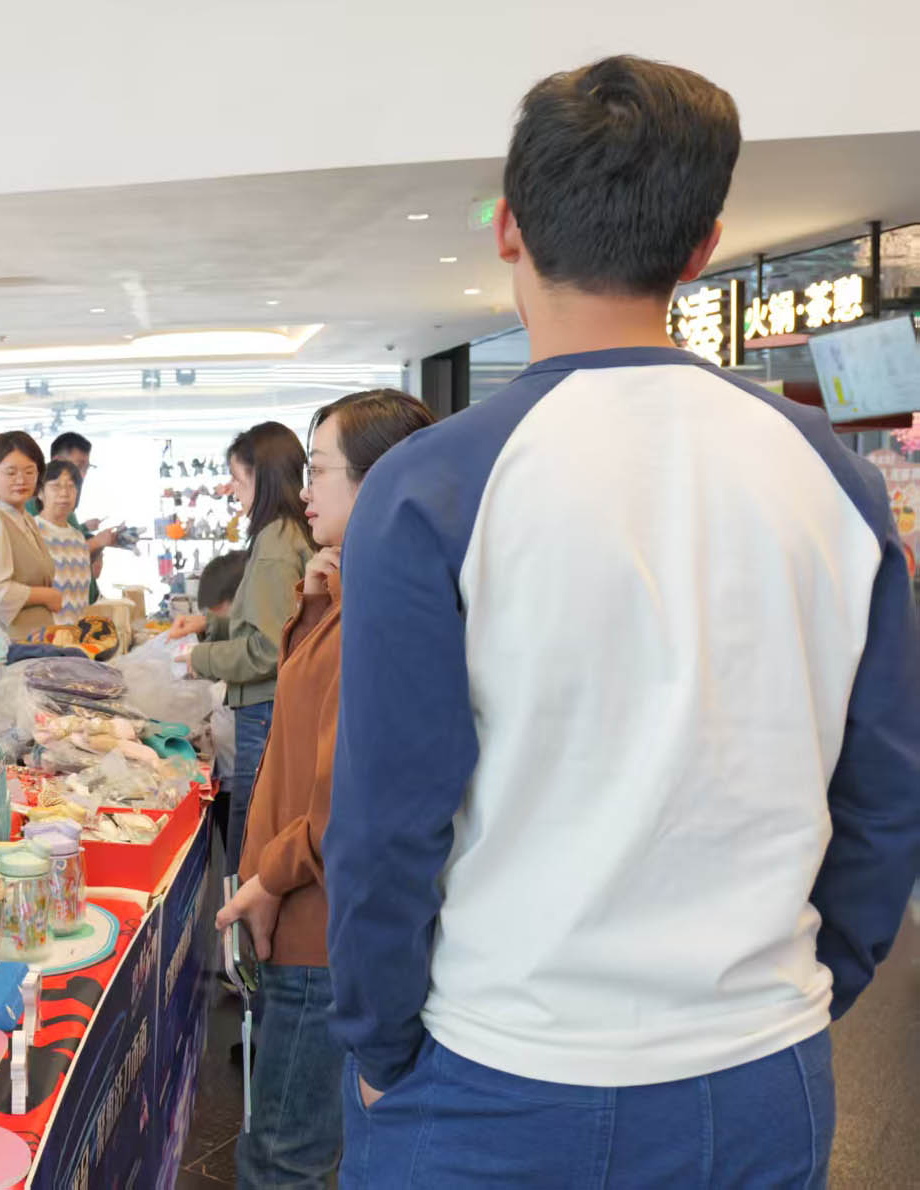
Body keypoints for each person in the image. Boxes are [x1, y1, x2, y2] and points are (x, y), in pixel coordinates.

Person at [325, 57, 920, 1187]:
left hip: (496, 1066)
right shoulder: (832, 476)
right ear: (702, 249)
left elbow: (388, 817)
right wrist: (813, 983)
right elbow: (885, 791)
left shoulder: (432, 486)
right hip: (760, 1072)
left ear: (509, 227)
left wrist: (379, 1038)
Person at [215, 390, 434, 1189]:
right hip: (306, 904)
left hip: (321, 918)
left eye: (321, 471)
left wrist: (272, 877)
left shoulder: (384, 607)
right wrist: (314, 601)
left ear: (379, 480)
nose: (306, 491)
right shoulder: (349, 590)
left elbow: (350, 788)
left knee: (286, 1154)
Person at [168, 422, 313, 872]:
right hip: (275, 704)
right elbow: (271, 620)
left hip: (264, 709)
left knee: (250, 833)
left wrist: (200, 658)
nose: (233, 489)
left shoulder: (274, 545)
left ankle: (242, 915)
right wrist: (210, 625)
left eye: (238, 478)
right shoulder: (286, 533)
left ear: (262, 477)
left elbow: (267, 648)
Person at [0, 430, 62, 638]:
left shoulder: (26, 519)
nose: (21, 480)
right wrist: (45, 595)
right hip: (8, 643)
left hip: (37, 639)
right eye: (11, 473)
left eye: (29, 472)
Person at [33, 431, 115, 602]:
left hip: (83, 608)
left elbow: (76, 556)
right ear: (40, 492)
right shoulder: (31, 528)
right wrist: (97, 542)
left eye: (71, 486)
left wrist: (98, 547)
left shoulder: (72, 527)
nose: (82, 475)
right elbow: (55, 563)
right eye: (79, 466)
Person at [32, 459, 92, 624]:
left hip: (77, 634)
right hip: (44, 635)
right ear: (40, 492)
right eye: (56, 486)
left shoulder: (78, 538)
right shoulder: (31, 532)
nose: (64, 493)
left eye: (71, 486)